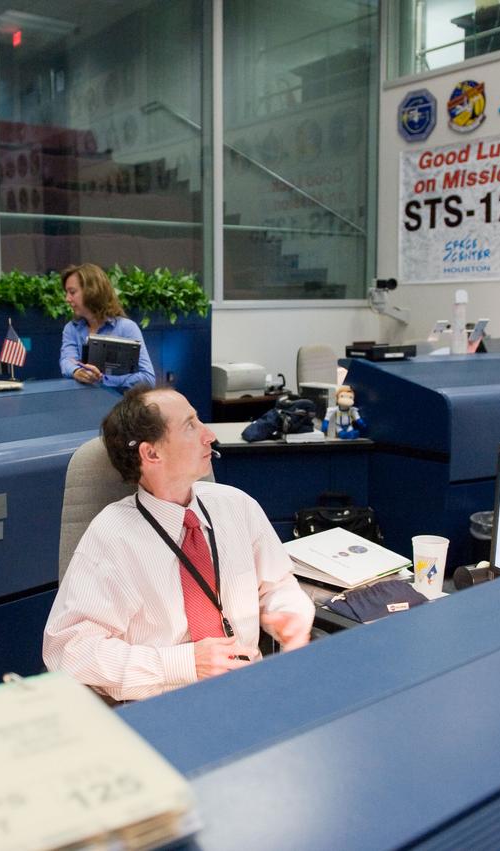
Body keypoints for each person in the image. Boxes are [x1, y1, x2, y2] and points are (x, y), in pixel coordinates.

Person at [43, 386, 314, 702]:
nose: (209, 435)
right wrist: (184, 664)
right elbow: (68, 651)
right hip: (161, 711)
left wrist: (287, 612)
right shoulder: (111, 536)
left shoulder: (237, 506)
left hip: (247, 694)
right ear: (152, 453)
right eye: (190, 426)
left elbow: (276, 584)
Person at [58, 263, 156, 391]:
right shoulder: (71, 329)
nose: (67, 299)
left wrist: (101, 379)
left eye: (72, 292)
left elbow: (148, 378)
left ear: (92, 291)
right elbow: (66, 361)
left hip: (120, 407)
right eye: (67, 293)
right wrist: (77, 371)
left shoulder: (127, 328)